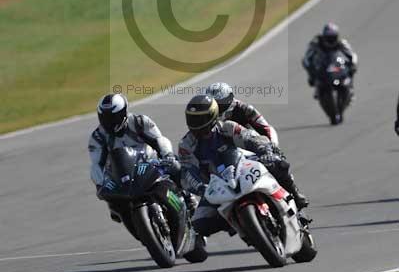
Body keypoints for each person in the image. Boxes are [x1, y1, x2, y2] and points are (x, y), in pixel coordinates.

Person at [179, 95, 309, 238]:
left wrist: (266, 151)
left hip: (243, 166)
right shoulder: (186, 145)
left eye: (200, 119)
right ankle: (235, 223)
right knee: (198, 225)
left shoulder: (227, 127)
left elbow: (251, 138)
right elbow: (187, 172)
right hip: (215, 186)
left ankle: (295, 197)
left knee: (279, 164)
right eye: (192, 119)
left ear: (212, 115)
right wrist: (200, 187)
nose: (196, 124)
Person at [88, 93, 179, 223]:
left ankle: (188, 197)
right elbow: (96, 165)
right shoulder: (98, 137)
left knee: (175, 166)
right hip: (122, 176)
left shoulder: (140, 122)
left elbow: (159, 139)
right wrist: (100, 184)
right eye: (105, 118)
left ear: (124, 113)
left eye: (113, 117)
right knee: (114, 206)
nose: (109, 122)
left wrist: (168, 155)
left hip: (150, 164)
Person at [205, 82, 278, 144]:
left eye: (218, 102)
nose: (215, 106)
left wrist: (273, 145)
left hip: (246, 145)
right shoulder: (205, 112)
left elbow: (266, 128)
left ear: (228, 99)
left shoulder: (244, 108)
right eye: (212, 102)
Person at [302, 23, 358, 99]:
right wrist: (310, 69)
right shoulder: (316, 42)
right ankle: (317, 87)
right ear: (324, 36)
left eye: (333, 37)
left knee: (350, 68)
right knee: (311, 69)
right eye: (329, 37)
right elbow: (307, 57)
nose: (331, 40)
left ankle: (350, 88)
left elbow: (352, 54)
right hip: (322, 62)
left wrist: (353, 64)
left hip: (337, 62)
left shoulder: (342, 42)